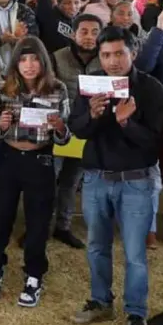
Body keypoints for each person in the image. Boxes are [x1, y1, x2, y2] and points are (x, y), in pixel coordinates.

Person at [69, 27, 163, 325]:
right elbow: (76, 131)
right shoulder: (90, 85)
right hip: (96, 179)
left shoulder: (150, 89)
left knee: (135, 253)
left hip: (137, 182)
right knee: (96, 246)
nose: (111, 61)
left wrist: (126, 122)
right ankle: (100, 301)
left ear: (133, 53)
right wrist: (93, 116)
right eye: (106, 54)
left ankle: (136, 312)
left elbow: (154, 145)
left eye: (119, 53)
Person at [0, 36, 70, 307]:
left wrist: (59, 129)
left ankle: (34, 275)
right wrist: (3, 125)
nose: (29, 65)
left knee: (38, 222)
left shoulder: (57, 89)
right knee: (1, 217)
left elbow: (66, 138)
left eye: (34, 59)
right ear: (15, 63)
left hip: (40, 160)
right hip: (8, 158)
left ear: (43, 62)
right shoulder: (4, 89)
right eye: (23, 59)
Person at [51, 14, 103, 249]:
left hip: (87, 132)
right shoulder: (57, 57)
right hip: (58, 130)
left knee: (71, 182)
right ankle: (40, 226)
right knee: (48, 180)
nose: (89, 37)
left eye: (95, 32)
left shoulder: (106, 60)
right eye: (84, 31)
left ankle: (63, 226)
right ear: (73, 33)